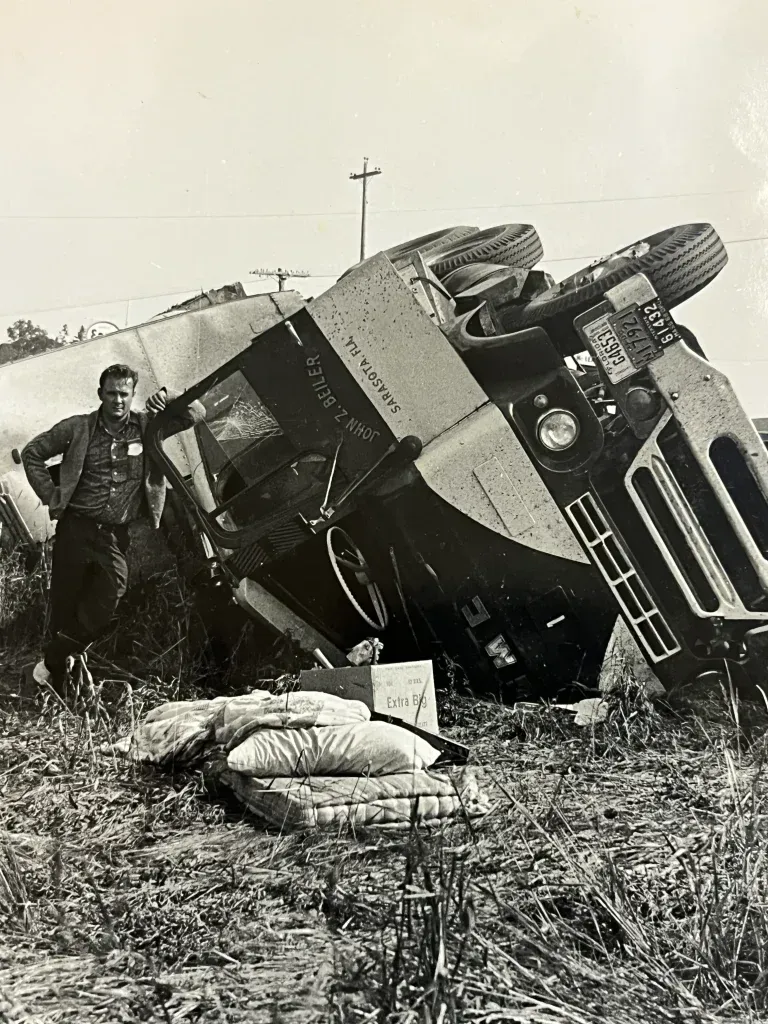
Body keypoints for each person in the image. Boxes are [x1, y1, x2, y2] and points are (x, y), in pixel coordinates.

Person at [21, 363, 203, 693]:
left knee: (110, 595)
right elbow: (32, 452)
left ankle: (54, 659)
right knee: (65, 605)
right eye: (111, 394)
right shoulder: (77, 428)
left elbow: (197, 412)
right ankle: (61, 685)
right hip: (75, 530)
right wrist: (51, 495)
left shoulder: (149, 425)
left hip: (113, 536)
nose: (117, 400)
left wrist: (168, 396)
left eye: (124, 394)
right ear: (100, 395)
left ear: (133, 395)